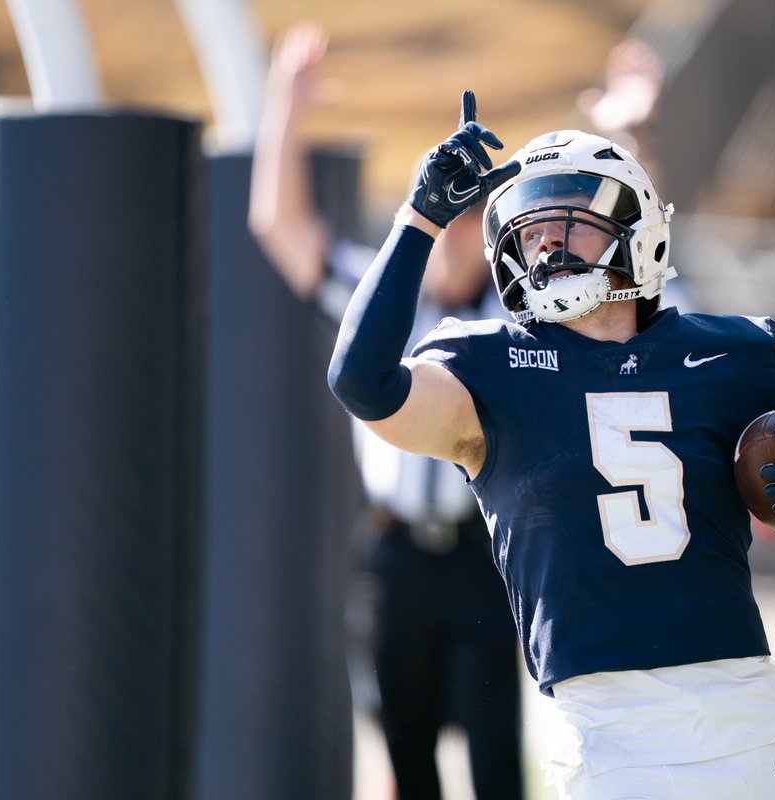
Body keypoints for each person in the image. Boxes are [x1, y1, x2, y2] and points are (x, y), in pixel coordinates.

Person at [327, 89, 775, 799]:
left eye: (570, 222)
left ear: (636, 227)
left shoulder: (736, 357)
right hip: (604, 734)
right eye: (531, 230)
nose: (546, 241)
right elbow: (361, 381)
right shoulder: (487, 367)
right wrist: (419, 218)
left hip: (748, 716)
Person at [248, 25, 524, 800]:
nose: (456, 236)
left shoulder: (514, 323)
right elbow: (281, 228)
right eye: (448, 214)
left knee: (496, 755)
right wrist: (286, 106)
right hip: (394, 553)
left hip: (483, 554)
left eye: (473, 218)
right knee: (405, 752)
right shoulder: (383, 306)